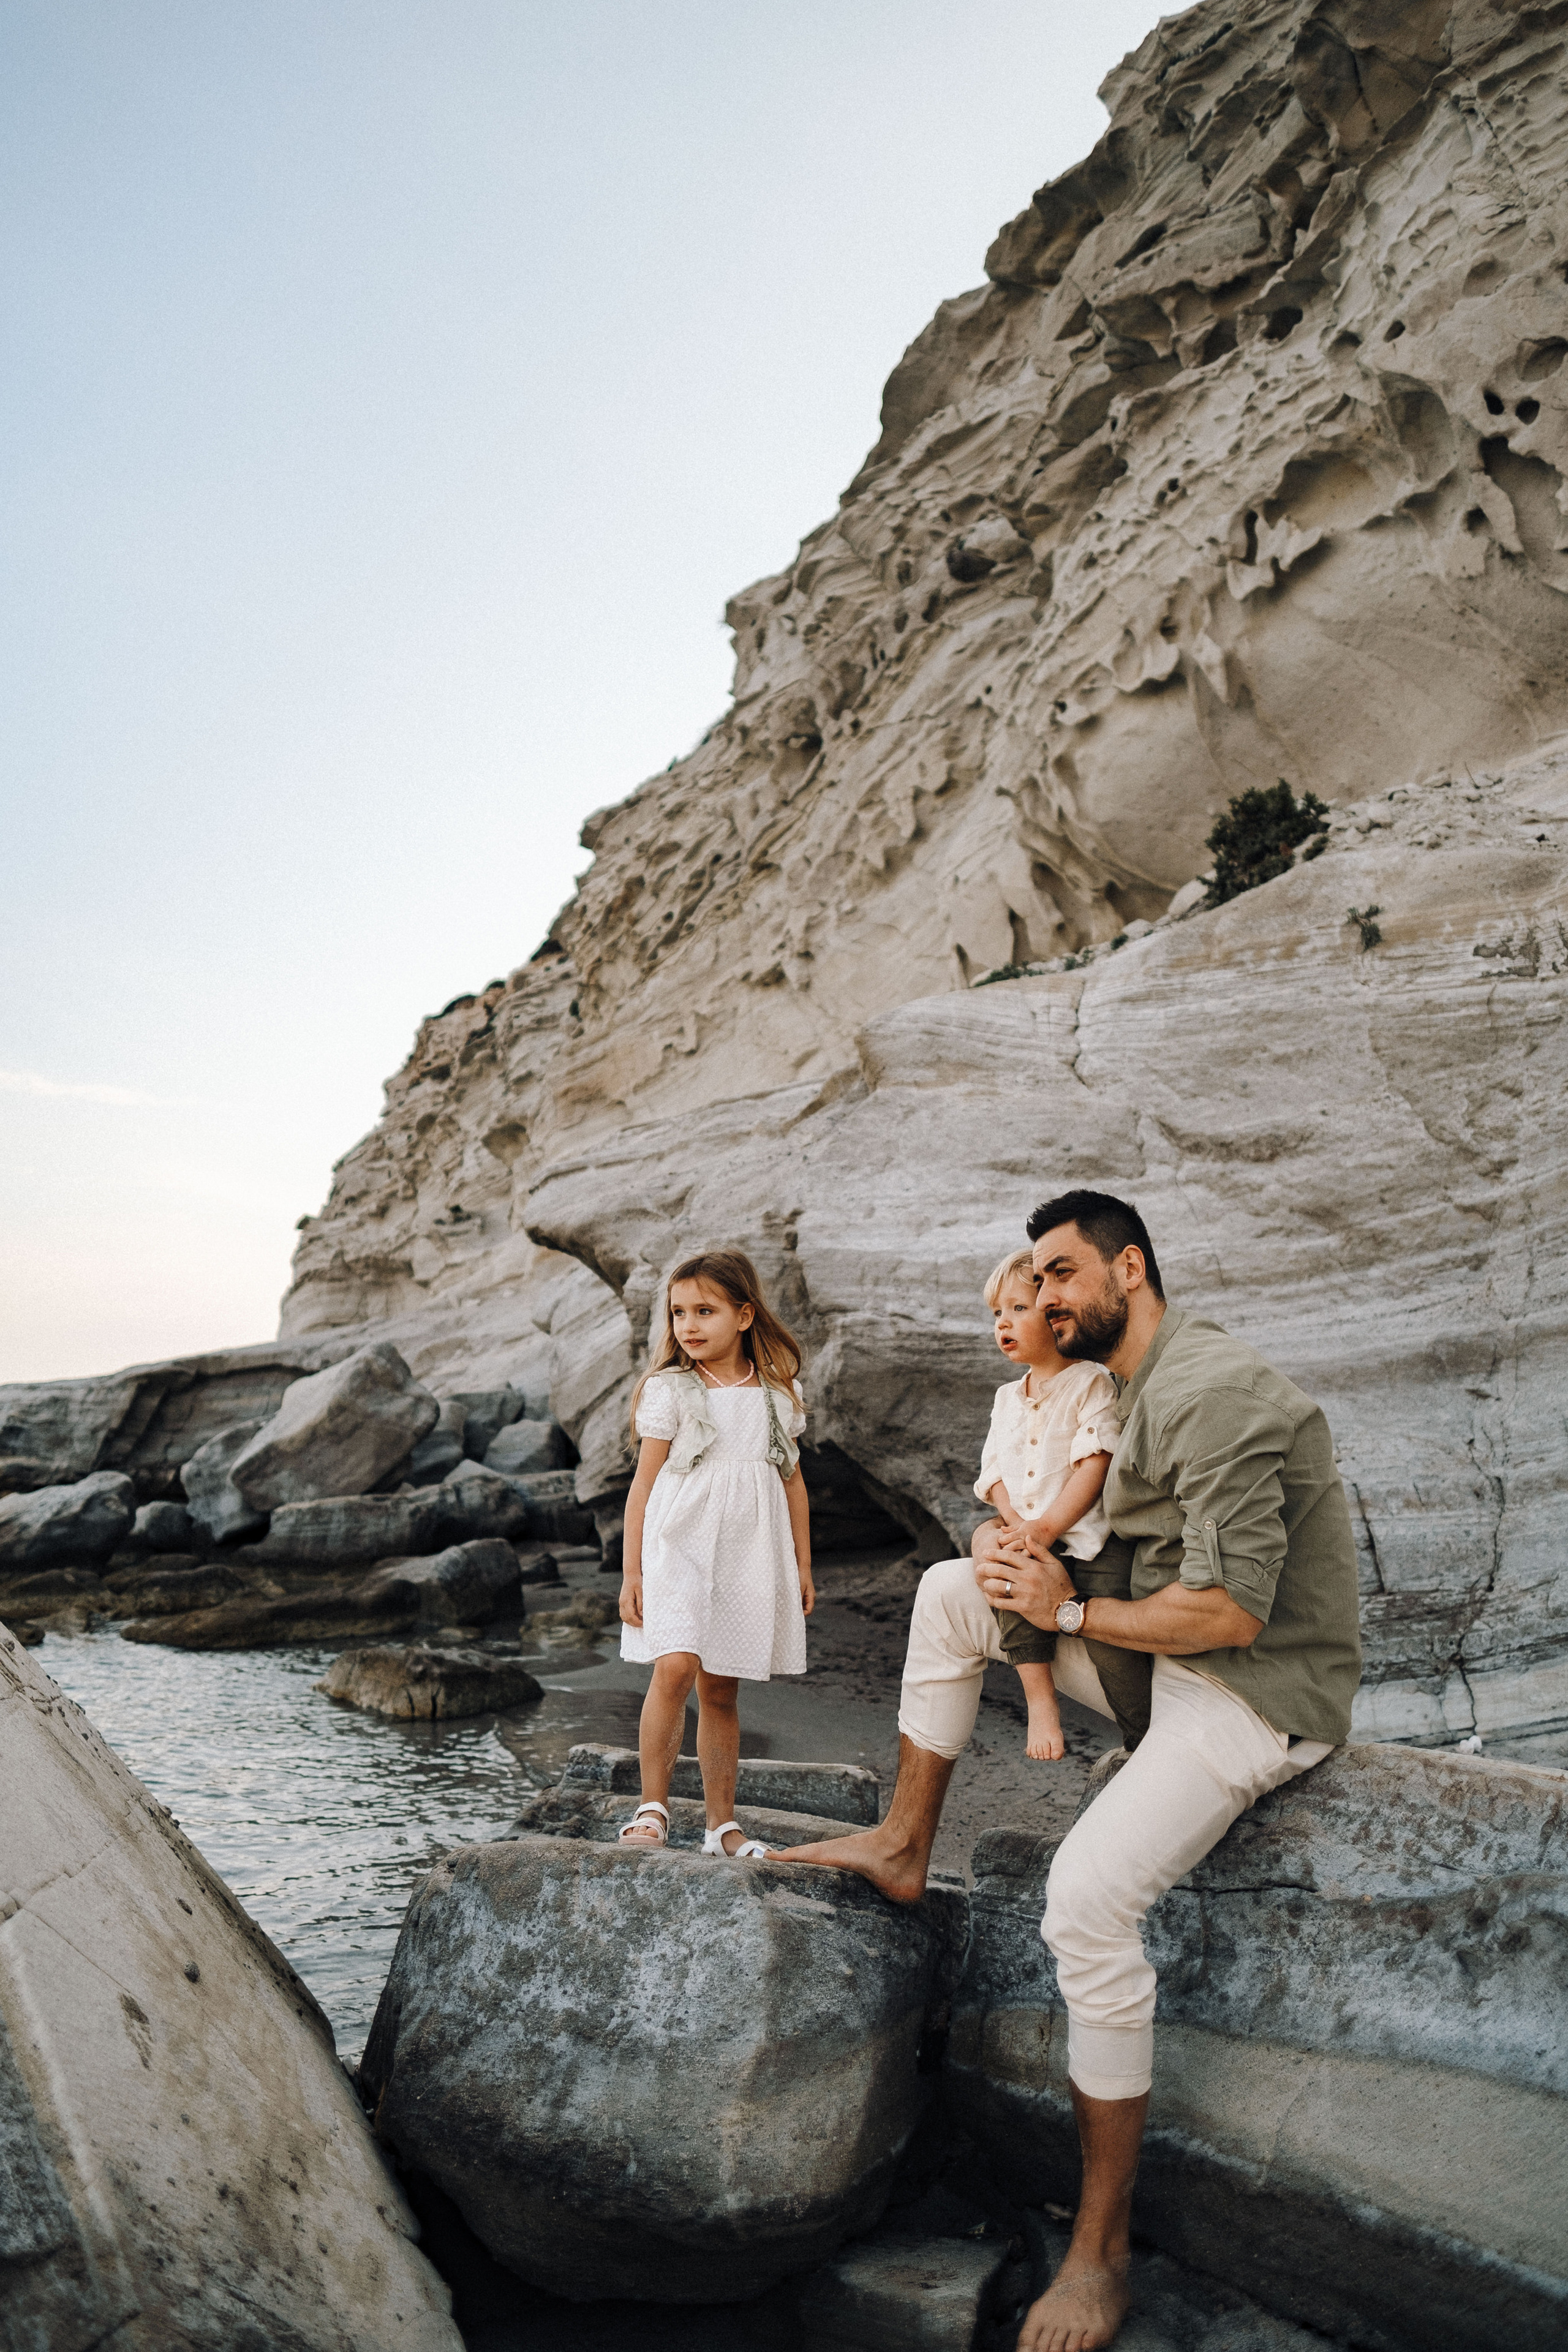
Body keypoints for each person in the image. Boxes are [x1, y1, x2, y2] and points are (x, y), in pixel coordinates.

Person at [778, 1190, 1362, 2352]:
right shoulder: (1117, 1384)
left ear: (1128, 1269)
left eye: (1060, 1274)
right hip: (1158, 1663)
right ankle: (904, 1845)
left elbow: (1239, 1613)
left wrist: (1072, 1605)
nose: (1043, 1298)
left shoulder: (1216, 1393)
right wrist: (1018, 1555)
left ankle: (1100, 2250)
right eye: (1034, 1281)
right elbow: (1079, 1531)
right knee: (955, 1591)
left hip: (1257, 1694)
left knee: (1086, 1904)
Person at [616, 1249, 814, 1860]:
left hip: (745, 1552)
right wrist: (631, 1570)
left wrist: (803, 1566)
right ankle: (653, 1808)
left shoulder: (779, 1395)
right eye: (678, 1313)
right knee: (674, 1667)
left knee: (722, 1687)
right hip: (677, 1543)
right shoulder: (671, 1390)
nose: (689, 1326)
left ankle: (720, 1826)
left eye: (705, 1311)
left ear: (745, 1314)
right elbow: (644, 1485)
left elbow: (792, 1483)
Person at [976, 1248, 1149, 1761]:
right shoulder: (1006, 1397)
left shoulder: (1089, 1381)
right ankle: (1040, 1701)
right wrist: (1018, 1526)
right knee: (1007, 1585)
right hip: (1031, 1533)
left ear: (1055, 1315)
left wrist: (1048, 1526)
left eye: (1018, 1309)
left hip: (1088, 1541)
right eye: (996, 1314)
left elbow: (1093, 1463)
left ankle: (1143, 1735)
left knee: (1115, 1647)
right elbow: (995, 1474)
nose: (1003, 1324)